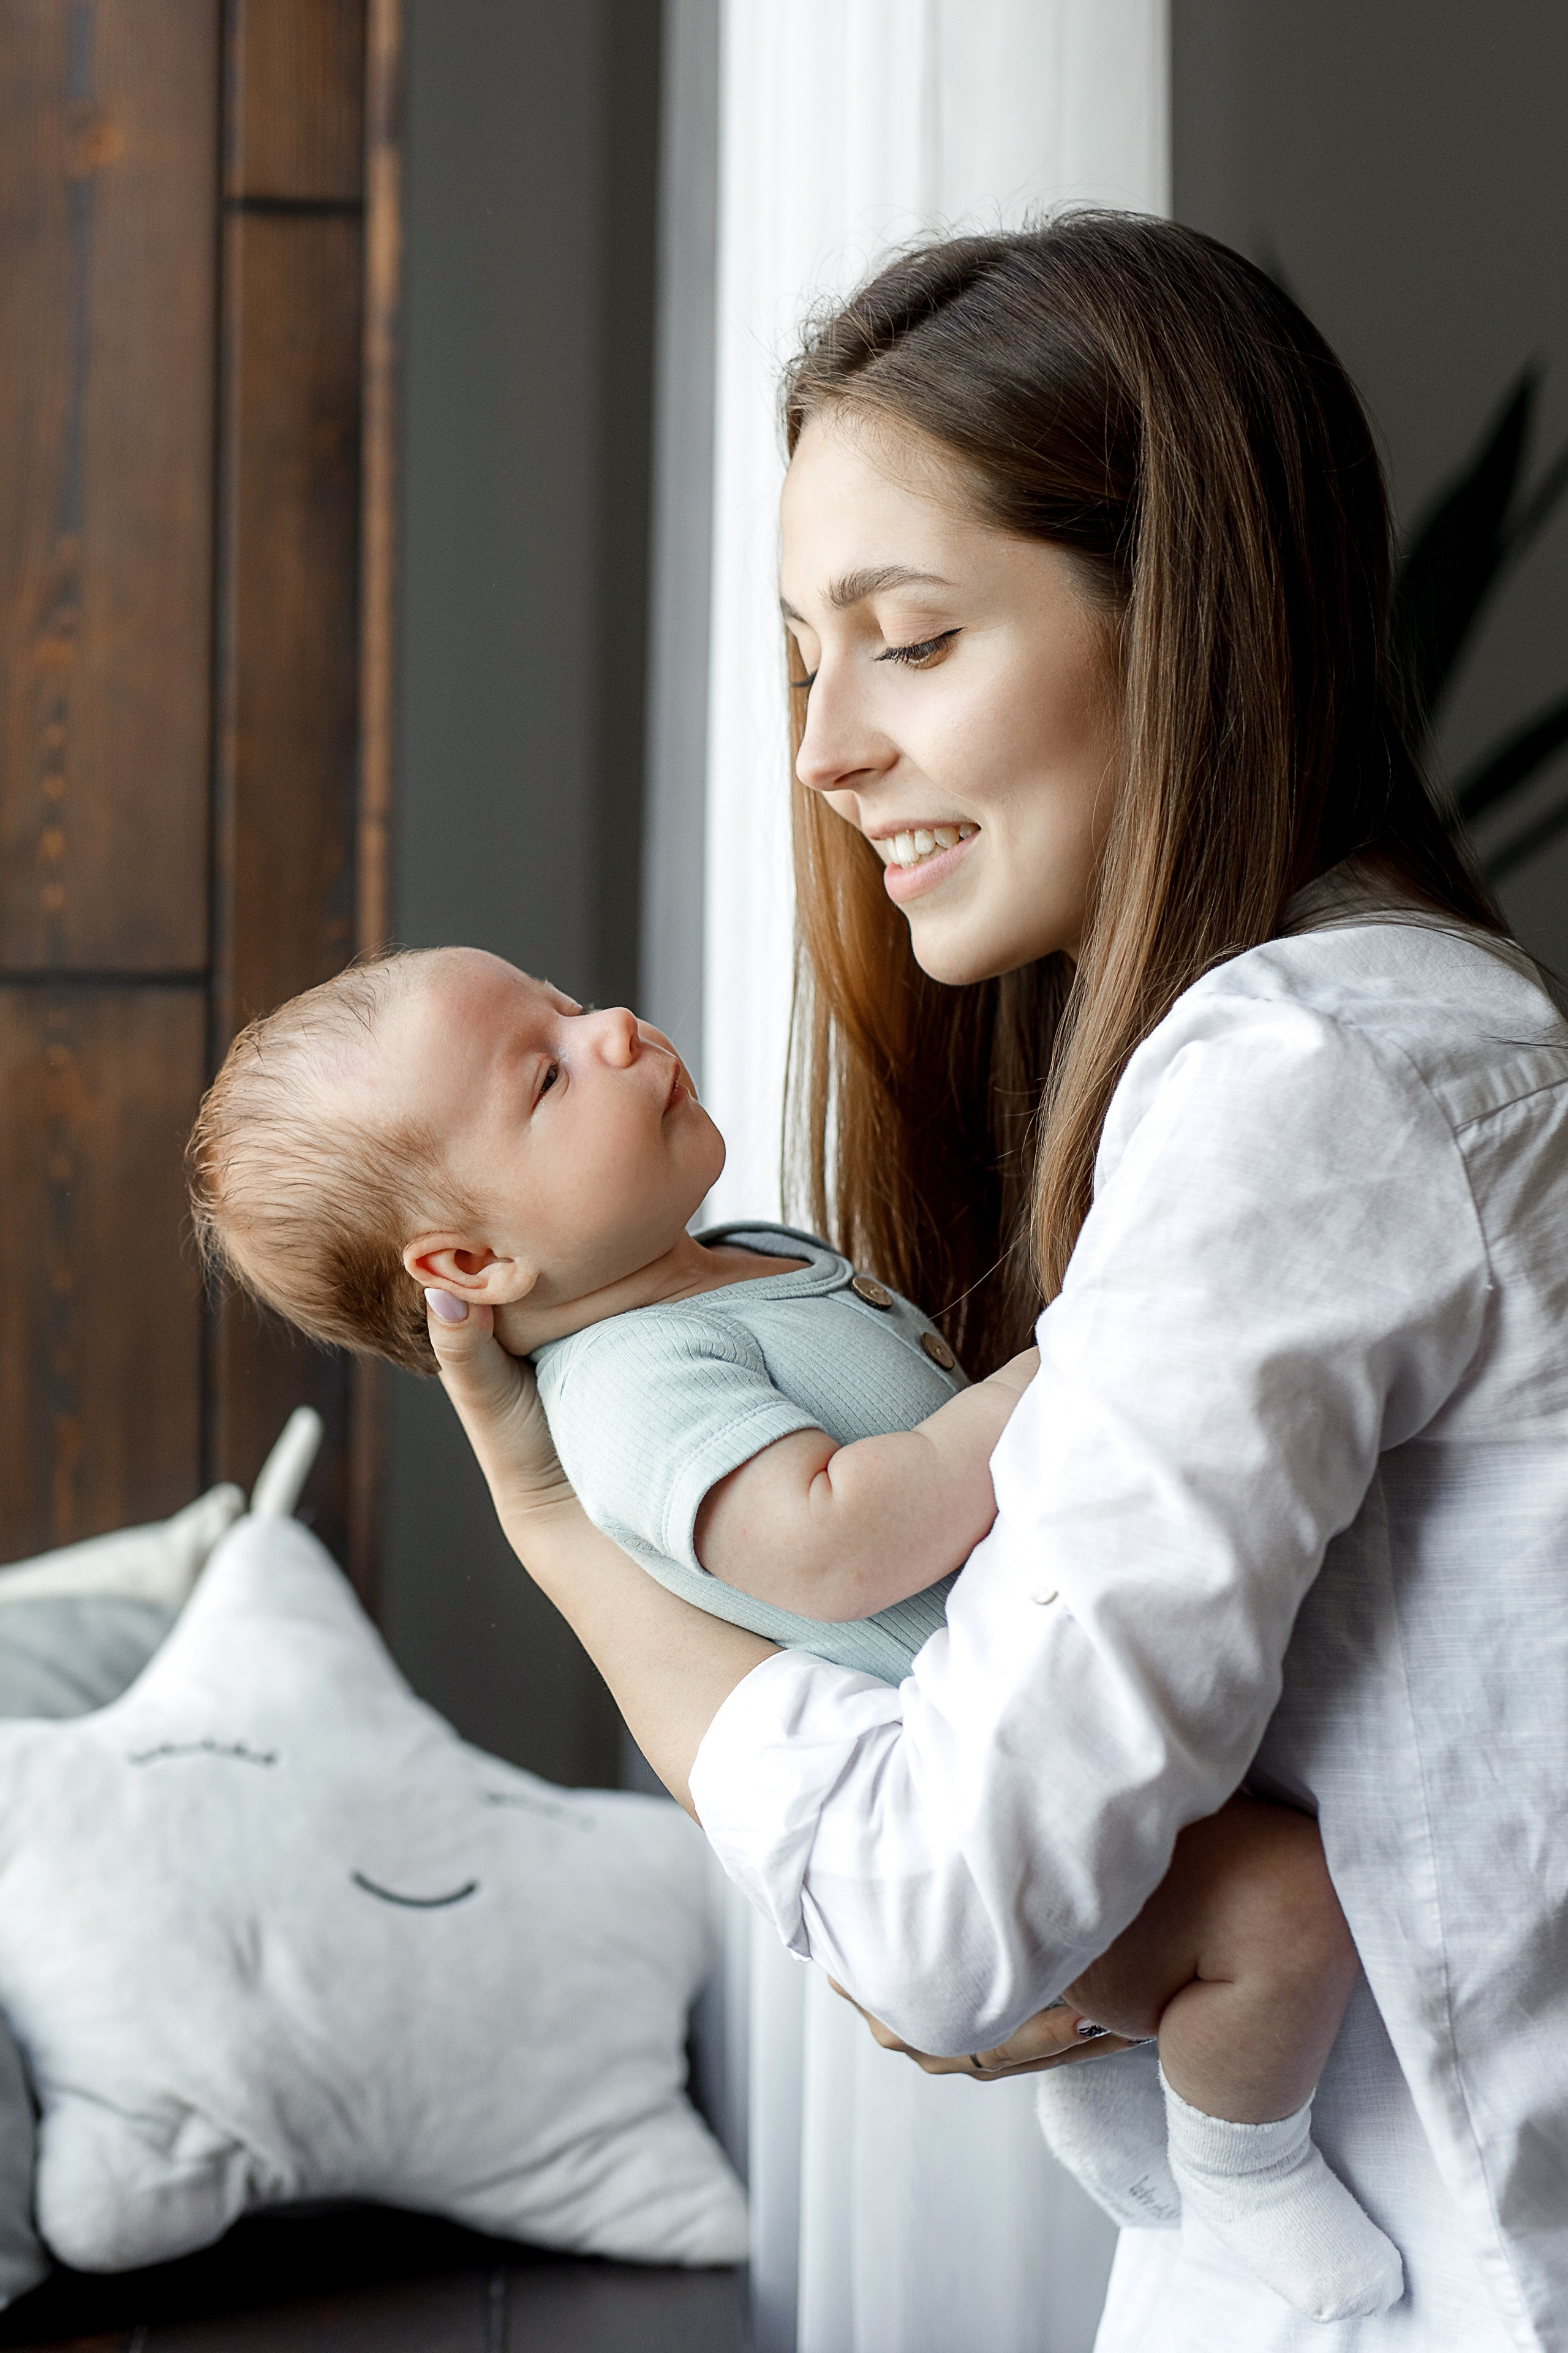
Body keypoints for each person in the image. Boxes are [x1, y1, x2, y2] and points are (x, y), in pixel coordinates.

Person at [419, 215, 1567, 2348]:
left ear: (1186, 621)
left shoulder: (1300, 1076)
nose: (822, 747)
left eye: (911, 639)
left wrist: (576, 1549)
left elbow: (940, 1920)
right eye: (801, 659)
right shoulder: (1385, 1033)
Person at [191, 943, 1398, 2319]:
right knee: (1282, 1912)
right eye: (544, 1071)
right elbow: (834, 1542)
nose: (614, 1032)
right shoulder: (628, 1388)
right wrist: (1059, 1374)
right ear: (473, 1261)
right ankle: (1243, 2168)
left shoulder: (736, 1262)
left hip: (1068, 1694)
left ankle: (1132, 2102)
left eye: (569, 1008)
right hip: (1001, 1784)